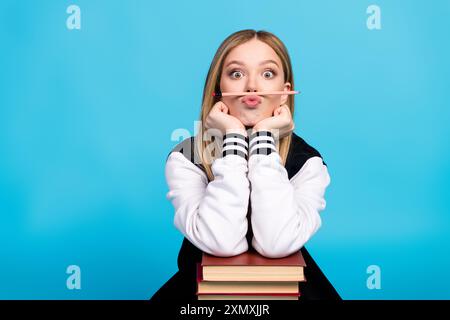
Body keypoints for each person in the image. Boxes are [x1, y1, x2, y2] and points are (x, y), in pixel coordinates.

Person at [150, 29, 341, 304]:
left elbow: (276, 244)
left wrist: (263, 139)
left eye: (267, 74)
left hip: (292, 292)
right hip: (202, 295)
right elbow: (221, 242)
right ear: (218, 90)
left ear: (285, 93)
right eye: (237, 74)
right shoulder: (185, 157)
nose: (252, 86)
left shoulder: (308, 163)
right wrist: (234, 139)